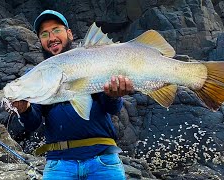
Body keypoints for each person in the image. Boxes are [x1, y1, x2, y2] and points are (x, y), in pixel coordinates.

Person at [11, 10, 133, 179]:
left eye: (56, 30)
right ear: (40, 41)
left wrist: (114, 95)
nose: (51, 37)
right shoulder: (37, 76)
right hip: (59, 164)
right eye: (44, 34)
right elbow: (33, 123)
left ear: (69, 33)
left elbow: (112, 107)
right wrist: (24, 110)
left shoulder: (92, 60)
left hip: (103, 160)